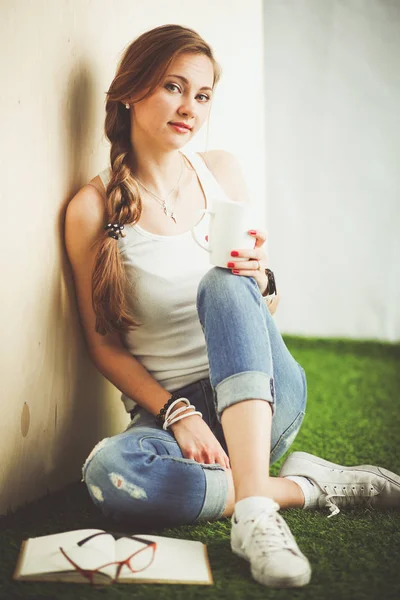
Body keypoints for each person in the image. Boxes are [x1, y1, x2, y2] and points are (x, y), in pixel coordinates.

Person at [65, 24, 400, 589]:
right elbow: (102, 345)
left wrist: (261, 279)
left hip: (264, 395)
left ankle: (251, 514)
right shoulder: (91, 210)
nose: (189, 107)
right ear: (130, 90)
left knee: (222, 284)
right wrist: (177, 412)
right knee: (109, 473)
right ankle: (303, 487)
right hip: (175, 420)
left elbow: (256, 310)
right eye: (173, 87)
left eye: (202, 95)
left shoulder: (220, 171)